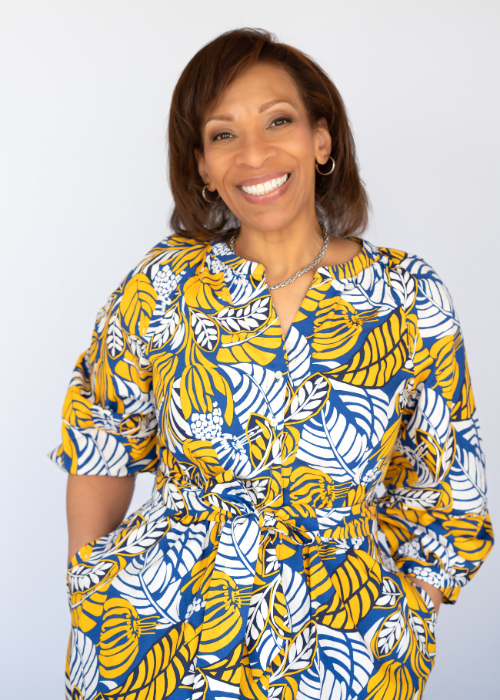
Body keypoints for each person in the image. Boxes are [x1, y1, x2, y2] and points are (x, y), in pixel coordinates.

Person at [52, 28, 493, 700]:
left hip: (345, 646)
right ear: (200, 165)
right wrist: (88, 578)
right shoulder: (164, 283)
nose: (254, 153)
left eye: (278, 121)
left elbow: (445, 481)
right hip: (157, 642)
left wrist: (407, 614)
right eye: (223, 134)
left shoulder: (408, 296)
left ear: (322, 139)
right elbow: (103, 436)